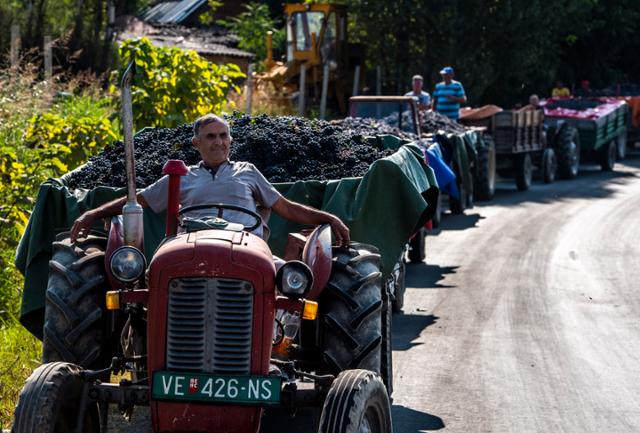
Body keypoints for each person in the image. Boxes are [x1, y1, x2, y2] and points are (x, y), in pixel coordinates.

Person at [70, 114, 350, 246]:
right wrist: (93, 214)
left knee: (291, 282)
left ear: (231, 140)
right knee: (137, 279)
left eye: (223, 136)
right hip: (191, 242)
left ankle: (283, 338)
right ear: (196, 143)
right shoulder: (181, 177)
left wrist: (330, 219)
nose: (218, 142)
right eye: (210, 137)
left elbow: (287, 208)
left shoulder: (248, 171)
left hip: (245, 244)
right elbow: (137, 201)